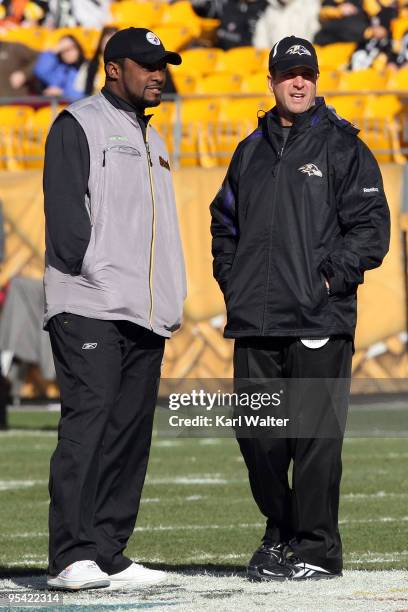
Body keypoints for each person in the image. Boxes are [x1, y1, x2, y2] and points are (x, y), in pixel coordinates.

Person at [210, 35, 390, 580]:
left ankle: (316, 549)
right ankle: (282, 533)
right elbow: (224, 224)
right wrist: (233, 281)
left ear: (315, 80)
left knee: (314, 444)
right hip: (255, 322)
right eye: (288, 73)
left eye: (307, 73)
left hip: (319, 319)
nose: (298, 81)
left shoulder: (345, 148)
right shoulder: (249, 151)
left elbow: (371, 230)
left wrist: (330, 278)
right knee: (259, 438)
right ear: (271, 82)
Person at [43, 27, 186, 590]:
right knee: (90, 424)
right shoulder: (79, 123)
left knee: (130, 433)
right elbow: (67, 219)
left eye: (163, 66)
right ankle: (70, 553)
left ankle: (106, 550)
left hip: (145, 312)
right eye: (147, 65)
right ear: (113, 69)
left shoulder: (157, 140)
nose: (159, 74)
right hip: (91, 303)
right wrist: (94, 270)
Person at [34, 35, 87, 101]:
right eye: (63, 50)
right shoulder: (61, 69)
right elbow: (40, 71)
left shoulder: (87, 67)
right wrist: (55, 50)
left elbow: (84, 95)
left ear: (78, 49)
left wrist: (62, 92)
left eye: (70, 49)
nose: (67, 53)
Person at [253, 0, 320, 49]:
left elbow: (317, 36)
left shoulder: (311, 8)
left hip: (304, 60)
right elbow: (260, 42)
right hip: (276, 62)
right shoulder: (268, 11)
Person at [84, 25, 118, 96]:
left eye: (112, 44)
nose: (109, 47)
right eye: (105, 43)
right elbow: (83, 91)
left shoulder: (123, 66)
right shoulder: (91, 65)